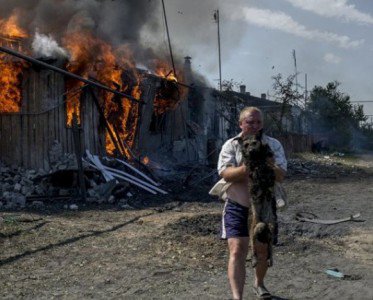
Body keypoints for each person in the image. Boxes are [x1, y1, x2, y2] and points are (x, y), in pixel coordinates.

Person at [209, 106, 287, 300]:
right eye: (250, 122)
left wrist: (266, 162)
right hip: (237, 204)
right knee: (237, 250)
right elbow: (225, 174)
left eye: (258, 122)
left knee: (262, 249)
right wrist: (248, 166)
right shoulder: (231, 145)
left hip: (263, 206)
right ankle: (237, 297)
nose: (254, 126)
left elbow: (281, 175)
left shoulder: (272, 145)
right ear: (241, 123)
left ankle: (259, 284)